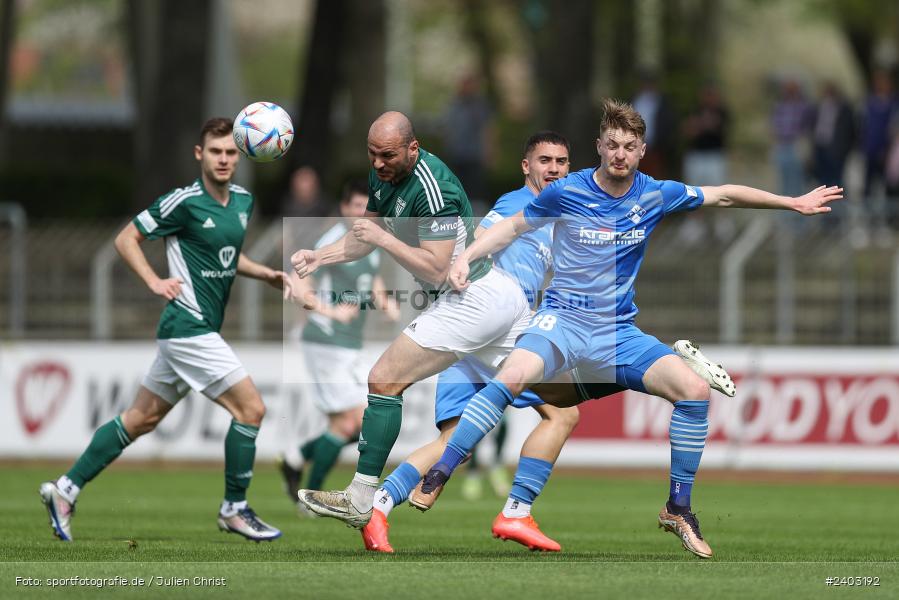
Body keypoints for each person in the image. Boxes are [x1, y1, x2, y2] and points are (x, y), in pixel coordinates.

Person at [415, 99, 842, 559]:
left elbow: (722, 194)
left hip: (617, 332)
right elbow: (512, 228)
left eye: (630, 146)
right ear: (599, 147)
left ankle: (678, 507)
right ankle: (442, 470)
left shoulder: (655, 194)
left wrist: (791, 202)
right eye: (612, 145)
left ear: (642, 151)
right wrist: (465, 258)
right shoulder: (567, 191)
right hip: (564, 319)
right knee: (512, 375)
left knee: (694, 391)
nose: (620, 154)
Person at [39, 118, 290, 542]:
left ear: (240, 155)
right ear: (200, 155)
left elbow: (227, 255)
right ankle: (235, 508)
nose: (224, 159)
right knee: (251, 409)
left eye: (231, 152)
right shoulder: (184, 202)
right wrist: (154, 281)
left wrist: (264, 273)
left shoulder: (243, 202)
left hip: (194, 330)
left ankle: (64, 490)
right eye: (216, 151)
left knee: (140, 419)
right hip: (186, 327)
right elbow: (125, 239)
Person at [279, 178, 400, 505]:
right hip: (325, 341)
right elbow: (297, 285)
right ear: (344, 208)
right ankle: (311, 498)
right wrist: (329, 311)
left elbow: (370, 275)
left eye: (368, 208)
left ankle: (296, 459)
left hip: (350, 344)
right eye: (357, 206)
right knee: (353, 422)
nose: (362, 213)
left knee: (363, 422)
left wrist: (385, 300)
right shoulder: (332, 241)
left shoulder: (369, 240)